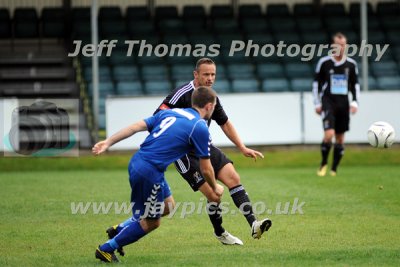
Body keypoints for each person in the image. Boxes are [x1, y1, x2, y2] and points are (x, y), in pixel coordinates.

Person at [92, 87, 224, 263]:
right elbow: (206, 168)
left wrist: (108, 141)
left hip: (140, 162)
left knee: (168, 206)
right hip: (149, 172)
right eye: (214, 106)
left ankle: (120, 228)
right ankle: (106, 249)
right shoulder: (199, 126)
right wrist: (215, 187)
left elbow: (135, 126)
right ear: (209, 106)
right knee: (152, 222)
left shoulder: (172, 112)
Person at [154, 57, 271, 245]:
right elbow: (158, 115)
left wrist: (242, 147)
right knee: (214, 195)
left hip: (204, 146)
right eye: (206, 74)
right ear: (196, 74)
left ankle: (254, 223)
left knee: (233, 178)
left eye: (213, 74)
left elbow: (224, 122)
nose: (210, 78)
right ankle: (220, 232)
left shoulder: (211, 97)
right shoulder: (181, 94)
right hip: (184, 154)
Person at [313, 32, 360, 176]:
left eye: (343, 44)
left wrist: (355, 102)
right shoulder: (324, 63)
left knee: (340, 138)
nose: (341, 47)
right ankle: (323, 163)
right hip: (328, 102)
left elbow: (355, 85)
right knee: (329, 134)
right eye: (338, 44)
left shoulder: (351, 64)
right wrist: (316, 103)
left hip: (343, 104)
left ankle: (334, 169)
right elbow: (316, 84)